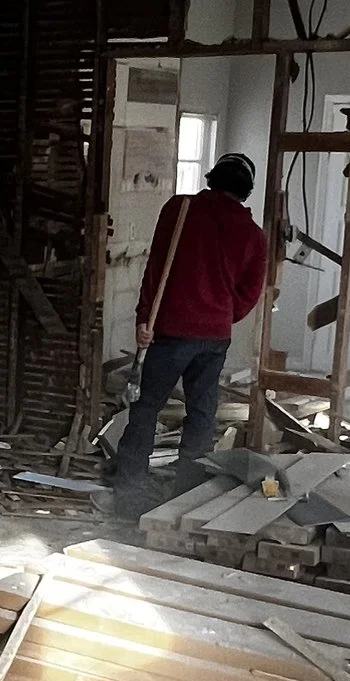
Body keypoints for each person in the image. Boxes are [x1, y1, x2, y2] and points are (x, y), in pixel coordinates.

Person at [113, 153, 268, 490]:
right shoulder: (254, 235)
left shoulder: (180, 210)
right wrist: (223, 313)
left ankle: (129, 484)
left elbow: (155, 268)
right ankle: (189, 489)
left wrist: (144, 318)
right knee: (201, 414)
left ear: (212, 178)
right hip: (214, 337)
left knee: (146, 408)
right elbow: (250, 293)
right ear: (246, 190)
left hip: (170, 331)